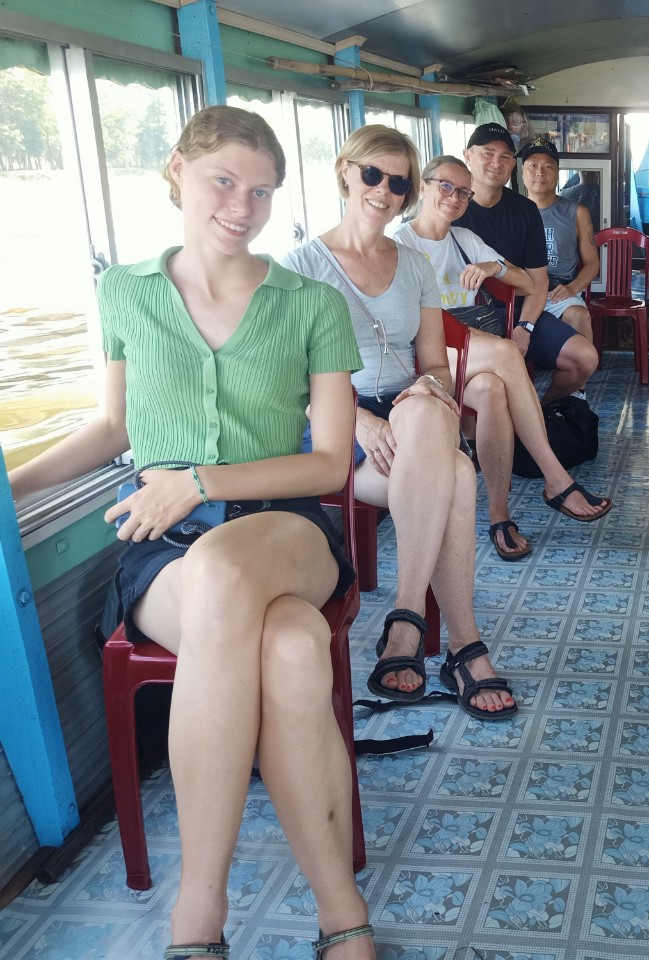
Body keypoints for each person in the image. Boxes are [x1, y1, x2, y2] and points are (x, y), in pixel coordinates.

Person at [8, 106, 376, 959]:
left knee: (224, 575)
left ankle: (195, 917)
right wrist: (10, 484)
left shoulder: (311, 303)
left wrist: (198, 482)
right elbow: (111, 428)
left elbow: (328, 462)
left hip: (283, 529)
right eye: (224, 181)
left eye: (262, 192)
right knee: (286, 650)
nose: (241, 207)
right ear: (176, 169)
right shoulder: (124, 292)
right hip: (163, 550)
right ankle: (343, 915)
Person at [282, 125, 517, 721]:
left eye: (398, 182)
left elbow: (436, 362)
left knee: (421, 407)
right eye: (372, 175)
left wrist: (430, 386)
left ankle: (405, 618)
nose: (384, 191)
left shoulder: (413, 265)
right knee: (458, 482)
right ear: (345, 172)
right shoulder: (299, 269)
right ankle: (463, 644)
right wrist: (358, 420)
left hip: (412, 413)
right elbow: (290, 385)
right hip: (340, 429)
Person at [395, 153, 612, 559]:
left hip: (472, 352)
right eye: (445, 186)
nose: (454, 197)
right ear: (422, 186)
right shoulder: (400, 245)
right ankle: (555, 478)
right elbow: (412, 325)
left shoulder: (463, 239)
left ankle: (499, 516)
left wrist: (493, 266)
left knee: (494, 389)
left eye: (463, 191)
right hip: (426, 359)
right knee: (508, 352)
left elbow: (528, 281)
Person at [456, 122, 598, 402]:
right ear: (468, 156)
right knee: (493, 387)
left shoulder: (525, 210)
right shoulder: (452, 207)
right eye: (487, 153)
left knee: (584, 357)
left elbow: (538, 280)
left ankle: (550, 412)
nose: (496, 162)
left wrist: (525, 327)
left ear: (511, 165)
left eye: (505, 156)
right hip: (465, 317)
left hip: (524, 308)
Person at [519, 135, 599, 341]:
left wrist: (572, 288)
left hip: (558, 291)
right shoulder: (512, 211)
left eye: (548, 167)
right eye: (533, 165)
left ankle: (581, 369)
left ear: (557, 173)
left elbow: (592, 264)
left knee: (580, 316)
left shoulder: (576, 211)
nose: (540, 172)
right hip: (521, 290)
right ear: (522, 171)